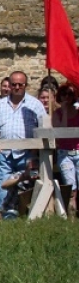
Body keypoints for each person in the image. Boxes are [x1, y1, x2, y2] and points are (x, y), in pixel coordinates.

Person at [0, 71, 46, 219]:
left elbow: (43, 131)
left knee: (26, 188)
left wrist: (34, 154)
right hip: (5, 155)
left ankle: (26, 218)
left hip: (27, 154)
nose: (16, 87)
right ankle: (1, 221)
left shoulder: (35, 105)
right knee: (2, 188)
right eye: (13, 84)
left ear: (25, 85)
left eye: (20, 84)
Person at [52, 83, 79, 213]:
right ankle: (71, 215)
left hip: (78, 151)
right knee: (71, 188)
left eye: (70, 94)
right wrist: (64, 111)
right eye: (64, 94)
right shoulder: (57, 114)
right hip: (65, 153)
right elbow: (60, 132)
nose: (67, 97)